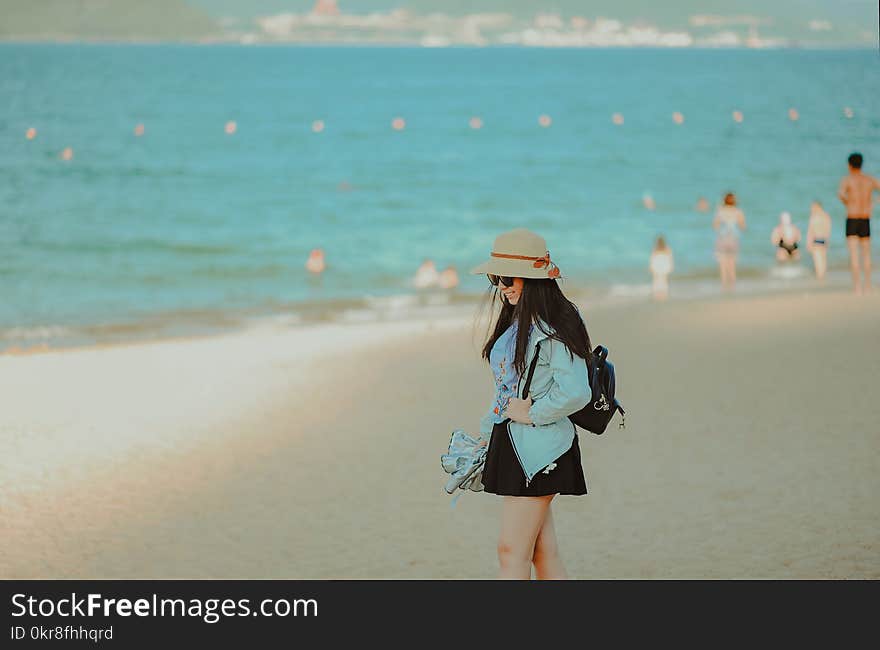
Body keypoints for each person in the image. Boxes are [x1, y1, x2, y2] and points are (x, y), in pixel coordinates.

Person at [469, 228, 592, 580]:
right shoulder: (517, 320)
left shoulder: (553, 326)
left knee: (511, 551)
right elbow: (506, 387)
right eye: (496, 278)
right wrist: (486, 431)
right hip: (516, 444)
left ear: (532, 278)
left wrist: (533, 413)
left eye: (508, 277)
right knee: (541, 551)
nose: (502, 286)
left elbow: (576, 390)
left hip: (541, 451)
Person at [838, 152, 880, 293]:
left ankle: (857, 286)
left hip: (852, 217)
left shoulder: (847, 180)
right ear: (861, 164)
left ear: (849, 165)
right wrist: (874, 202)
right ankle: (867, 284)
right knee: (866, 253)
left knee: (854, 253)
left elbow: (841, 194)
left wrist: (848, 202)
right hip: (865, 217)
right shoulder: (869, 180)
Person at [713, 192, 746, 290]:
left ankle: (724, 284)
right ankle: (732, 283)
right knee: (732, 263)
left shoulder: (720, 211)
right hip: (733, 238)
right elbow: (743, 226)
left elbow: (715, 226)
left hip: (722, 238)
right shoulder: (738, 211)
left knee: (723, 262)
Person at [805, 201, 832, 280]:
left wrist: (808, 243)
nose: (811, 209)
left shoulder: (814, 217)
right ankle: (823, 274)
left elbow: (810, 231)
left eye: (812, 207)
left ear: (817, 207)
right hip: (824, 239)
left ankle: (820, 276)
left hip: (816, 239)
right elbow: (828, 229)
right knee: (823, 258)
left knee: (817, 259)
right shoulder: (826, 216)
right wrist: (827, 239)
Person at [649, 236, 674, 301]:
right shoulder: (667, 248)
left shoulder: (655, 248)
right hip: (664, 263)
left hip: (657, 263)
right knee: (664, 279)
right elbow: (670, 258)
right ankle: (664, 294)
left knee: (656, 279)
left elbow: (652, 258)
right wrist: (671, 266)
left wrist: (651, 266)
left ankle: (656, 294)